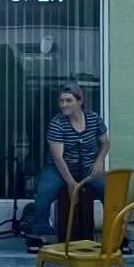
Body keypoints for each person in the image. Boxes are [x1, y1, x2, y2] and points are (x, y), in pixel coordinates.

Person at [23, 83, 110, 241]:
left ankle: (114, 232)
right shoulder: (57, 124)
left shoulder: (94, 118)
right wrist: (71, 183)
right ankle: (39, 232)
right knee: (44, 191)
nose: (63, 105)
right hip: (59, 167)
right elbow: (58, 157)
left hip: (88, 166)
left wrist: (99, 162)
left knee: (110, 191)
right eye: (61, 101)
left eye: (68, 100)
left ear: (80, 101)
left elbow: (105, 143)